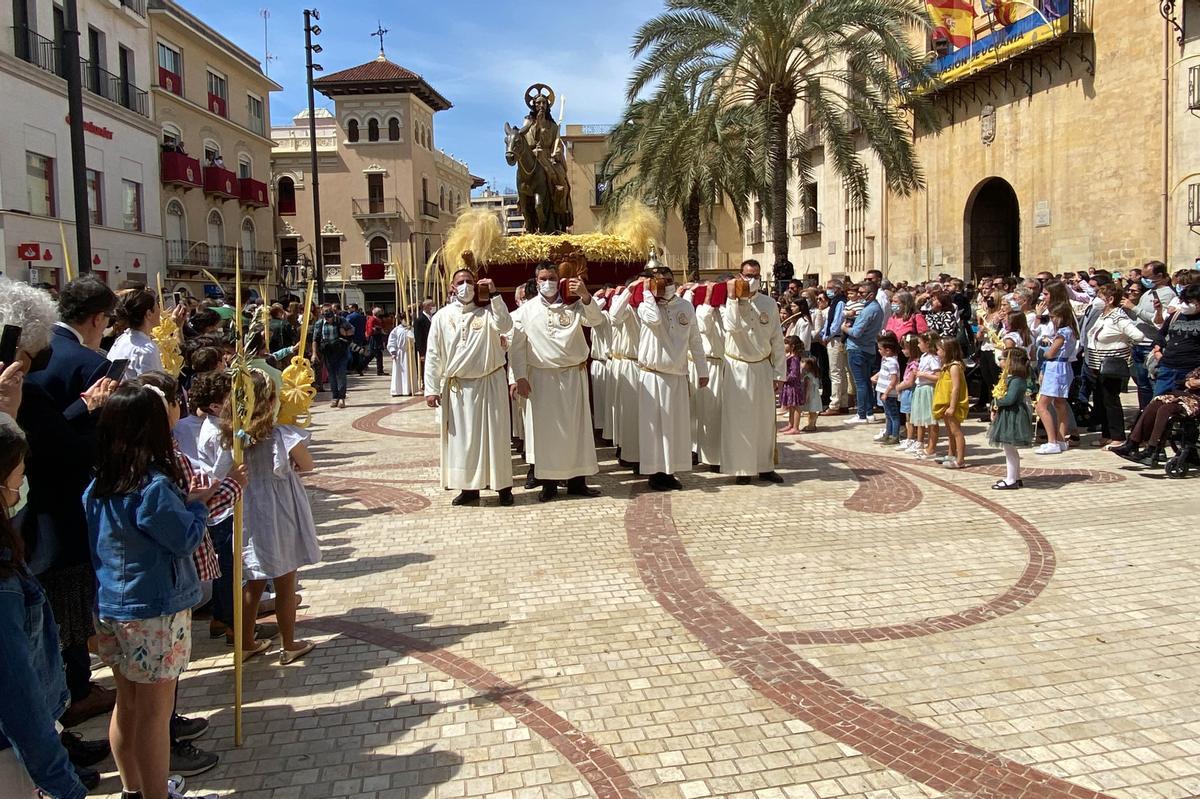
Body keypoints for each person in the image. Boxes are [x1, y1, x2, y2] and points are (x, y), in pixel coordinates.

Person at [84, 382, 210, 799]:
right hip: (153, 609)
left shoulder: (97, 486)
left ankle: (132, 788)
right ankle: (157, 794)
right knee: (156, 712)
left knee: (128, 702)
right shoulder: (153, 488)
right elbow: (184, 539)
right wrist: (196, 504)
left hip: (110, 606)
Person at [0, 414, 89, 799]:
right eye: (18, 476)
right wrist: (63, 783)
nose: (22, 487)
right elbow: (17, 694)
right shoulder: (2, 587)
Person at [216, 372, 319, 664]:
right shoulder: (281, 434)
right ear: (272, 400)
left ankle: (246, 640)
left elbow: (221, 472)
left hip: (250, 511)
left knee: (254, 580)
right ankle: (290, 642)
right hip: (281, 511)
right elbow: (308, 464)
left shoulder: (233, 438)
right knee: (286, 579)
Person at [508, 261, 604, 501]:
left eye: (552, 277)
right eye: (543, 278)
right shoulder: (525, 311)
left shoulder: (573, 305)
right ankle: (548, 484)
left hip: (573, 376)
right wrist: (518, 377)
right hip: (541, 379)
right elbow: (517, 347)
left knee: (576, 430)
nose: (548, 282)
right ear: (536, 281)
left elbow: (595, 321)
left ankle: (577, 481)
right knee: (546, 434)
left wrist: (585, 296)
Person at [423, 271, 515, 506]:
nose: (465, 286)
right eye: (460, 282)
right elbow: (433, 354)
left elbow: (505, 324)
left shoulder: (488, 314)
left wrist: (494, 294)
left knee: (496, 436)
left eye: (469, 282)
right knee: (463, 441)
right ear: (452, 287)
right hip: (458, 388)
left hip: (489, 383)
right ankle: (469, 488)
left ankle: (503, 487)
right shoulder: (441, 317)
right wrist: (431, 388)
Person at [633, 270, 708, 491]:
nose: (664, 285)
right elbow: (654, 320)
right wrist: (648, 292)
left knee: (675, 426)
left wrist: (702, 370)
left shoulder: (685, 307)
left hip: (677, 374)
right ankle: (655, 472)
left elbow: (695, 339)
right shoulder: (645, 305)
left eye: (668, 281)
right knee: (655, 428)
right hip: (653, 375)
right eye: (659, 281)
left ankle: (670, 471)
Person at [719, 260, 786, 484]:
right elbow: (732, 326)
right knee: (739, 420)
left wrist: (779, 373)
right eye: (748, 275)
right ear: (740, 275)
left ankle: (765, 466)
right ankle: (741, 468)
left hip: (762, 366)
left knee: (764, 419)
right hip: (738, 366)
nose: (752, 279)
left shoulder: (769, 303)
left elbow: (777, 339)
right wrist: (734, 298)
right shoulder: (729, 303)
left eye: (756, 275)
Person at [1084, 283, 1148, 448]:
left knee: (1111, 401)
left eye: (1101, 297)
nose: (1097, 300)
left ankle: (1118, 437)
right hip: (1096, 365)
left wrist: (1122, 346)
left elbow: (1138, 335)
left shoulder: (1118, 316)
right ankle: (1107, 435)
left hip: (1110, 365)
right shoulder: (1103, 314)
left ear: (1110, 299)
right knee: (1101, 401)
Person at [1111, 366, 1200, 466]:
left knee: (1166, 410)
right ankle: (1132, 443)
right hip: (1184, 395)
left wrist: (1194, 383)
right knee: (1154, 405)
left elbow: (1193, 383)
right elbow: (1186, 381)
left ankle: (1152, 449)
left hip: (1195, 401)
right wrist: (1190, 383)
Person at [1034, 303, 1079, 454]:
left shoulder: (1062, 333)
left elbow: (1051, 353)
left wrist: (1046, 349)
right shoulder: (1071, 331)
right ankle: (1060, 440)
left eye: (1054, 317)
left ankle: (1052, 441)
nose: (1052, 320)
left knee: (1041, 406)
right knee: (1060, 404)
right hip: (1064, 368)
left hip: (1055, 368)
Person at [1131, 261, 1176, 407]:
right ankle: (1143, 415)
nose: (1143, 280)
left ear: (1160, 275)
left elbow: (1158, 321)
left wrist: (1134, 308)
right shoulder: (1148, 293)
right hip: (1138, 344)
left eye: (1147, 277)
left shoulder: (1167, 294)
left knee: (1153, 385)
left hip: (1149, 345)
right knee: (1142, 385)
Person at [989, 348, 1034, 489]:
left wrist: (997, 402)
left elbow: (1010, 399)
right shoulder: (1009, 378)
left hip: (1013, 415)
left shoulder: (1017, 380)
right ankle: (1015, 477)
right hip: (1007, 414)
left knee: (1009, 448)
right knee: (1009, 449)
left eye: (1002, 359)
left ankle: (1011, 479)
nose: (999, 361)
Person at [842, 283, 885, 424]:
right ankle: (869, 412)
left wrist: (844, 328)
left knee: (860, 383)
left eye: (862, 292)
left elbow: (856, 332)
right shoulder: (875, 309)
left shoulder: (869, 310)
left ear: (871, 294)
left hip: (857, 349)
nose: (859, 295)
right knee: (866, 382)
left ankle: (861, 414)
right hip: (868, 348)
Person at [108, 286, 170, 378]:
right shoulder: (145, 350)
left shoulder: (121, 340)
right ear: (149, 314)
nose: (160, 312)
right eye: (157, 307)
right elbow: (152, 386)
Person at [1150, 282, 1200, 396]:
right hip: (1167, 368)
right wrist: (1157, 351)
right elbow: (1161, 334)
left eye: (1190, 302)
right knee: (1158, 404)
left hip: (1191, 372)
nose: (1186, 305)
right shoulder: (1176, 315)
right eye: (1184, 301)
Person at [932, 337, 969, 468]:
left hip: (952, 404)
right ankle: (951, 453)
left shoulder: (954, 367)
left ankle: (960, 460)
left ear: (947, 350)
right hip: (945, 403)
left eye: (939, 350)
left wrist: (952, 406)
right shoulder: (946, 366)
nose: (937, 352)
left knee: (956, 431)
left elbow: (956, 387)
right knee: (949, 432)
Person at [817, 280, 848, 414]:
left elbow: (836, 322)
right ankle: (843, 401)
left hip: (835, 339)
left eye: (830, 288)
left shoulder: (840, 302)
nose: (828, 290)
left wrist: (827, 336)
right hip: (831, 338)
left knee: (835, 372)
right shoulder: (834, 302)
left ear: (838, 289)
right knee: (839, 372)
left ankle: (835, 403)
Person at [911, 332, 942, 459]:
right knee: (923, 420)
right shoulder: (924, 356)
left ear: (927, 343)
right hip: (920, 389)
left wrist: (922, 374)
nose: (918, 345)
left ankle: (932, 448)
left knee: (931, 421)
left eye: (920, 343)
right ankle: (925, 444)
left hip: (928, 389)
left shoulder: (933, 358)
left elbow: (938, 377)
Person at [314, 308, 353, 408]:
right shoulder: (319, 324)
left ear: (333, 316)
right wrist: (315, 353)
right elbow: (315, 339)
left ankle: (342, 398)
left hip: (341, 351)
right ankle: (335, 397)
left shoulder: (340, 320)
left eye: (330, 317)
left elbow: (352, 330)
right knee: (331, 375)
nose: (328, 320)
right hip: (328, 352)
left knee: (341, 374)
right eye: (326, 318)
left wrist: (345, 333)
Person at [872, 335, 902, 445]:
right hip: (883, 392)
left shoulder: (892, 362)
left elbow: (894, 379)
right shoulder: (886, 360)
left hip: (889, 394)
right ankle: (888, 433)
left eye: (880, 349)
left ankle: (894, 436)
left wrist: (886, 392)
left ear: (888, 350)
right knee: (888, 415)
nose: (879, 351)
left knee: (893, 415)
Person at [895, 335, 921, 451]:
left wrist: (899, 386)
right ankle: (909, 438)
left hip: (910, 392)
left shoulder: (915, 363)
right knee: (907, 418)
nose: (903, 351)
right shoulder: (910, 361)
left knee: (910, 419)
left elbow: (910, 382)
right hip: (906, 392)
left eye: (905, 348)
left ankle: (911, 438)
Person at [778, 336, 805, 435]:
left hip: (793, 386)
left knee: (796, 407)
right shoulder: (789, 356)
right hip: (789, 386)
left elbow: (794, 374)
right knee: (791, 407)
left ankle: (796, 427)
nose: (784, 346)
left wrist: (785, 377)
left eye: (786, 343)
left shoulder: (794, 359)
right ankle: (790, 424)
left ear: (792, 346)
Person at [387, 312, 413, 397]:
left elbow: (414, 339)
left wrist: (410, 331)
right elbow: (392, 341)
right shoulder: (396, 330)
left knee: (409, 372)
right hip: (400, 353)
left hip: (409, 353)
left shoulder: (411, 329)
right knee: (399, 372)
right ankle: (397, 390)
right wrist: (393, 351)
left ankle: (408, 389)